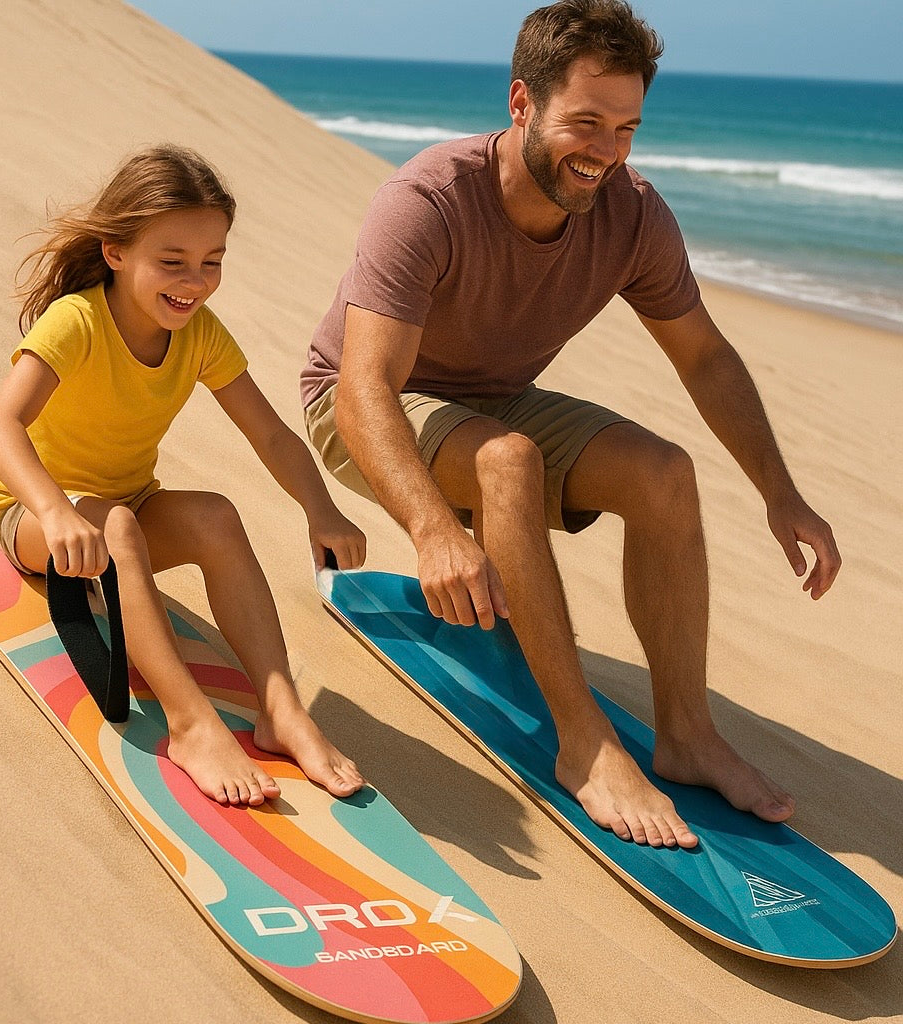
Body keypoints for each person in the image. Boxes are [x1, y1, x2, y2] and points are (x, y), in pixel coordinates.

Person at [301, 0, 841, 849]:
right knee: (507, 461)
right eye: (586, 123)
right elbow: (366, 385)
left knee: (663, 472)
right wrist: (434, 530)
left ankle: (687, 733)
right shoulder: (429, 199)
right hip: (359, 407)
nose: (606, 151)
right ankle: (584, 743)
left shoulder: (632, 214)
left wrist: (782, 493)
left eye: (626, 128)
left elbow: (705, 357)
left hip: (494, 400)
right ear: (522, 103)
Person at [0, 144, 366, 808]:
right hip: (38, 522)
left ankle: (281, 709)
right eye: (173, 261)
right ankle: (190, 725)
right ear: (116, 252)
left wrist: (320, 509)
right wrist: (53, 510)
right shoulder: (77, 322)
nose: (195, 280)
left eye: (212, 261)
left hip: (127, 511)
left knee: (215, 516)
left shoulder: (199, 334)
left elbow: (271, 434)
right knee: (117, 525)